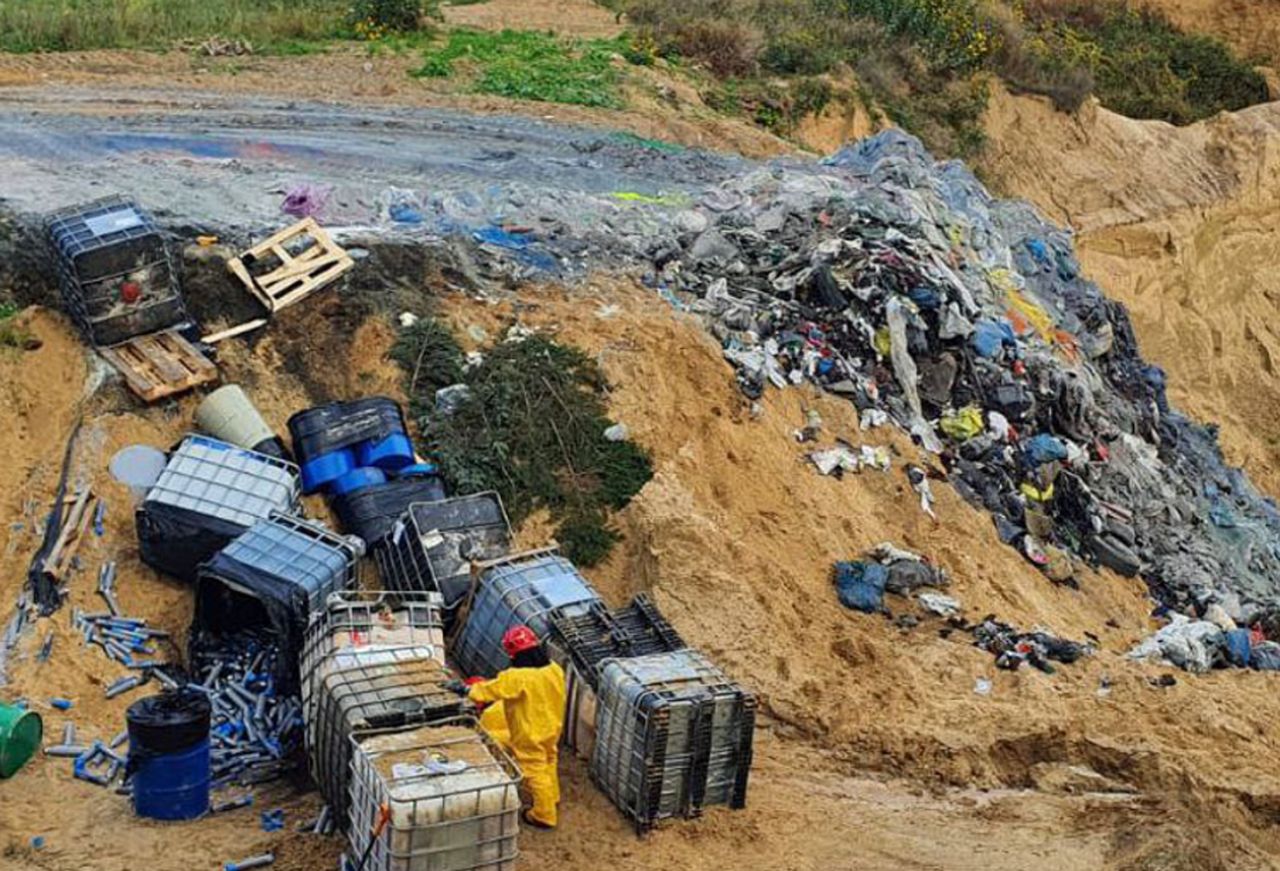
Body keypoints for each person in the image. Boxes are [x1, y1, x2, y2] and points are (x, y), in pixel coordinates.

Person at [459, 625, 566, 829]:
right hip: (552, 726)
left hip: (529, 732)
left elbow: (490, 690)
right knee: (549, 759)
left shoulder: (517, 677)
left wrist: (466, 689)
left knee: (534, 770)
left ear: (512, 653)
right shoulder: (554, 669)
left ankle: (544, 814)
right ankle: (552, 797)